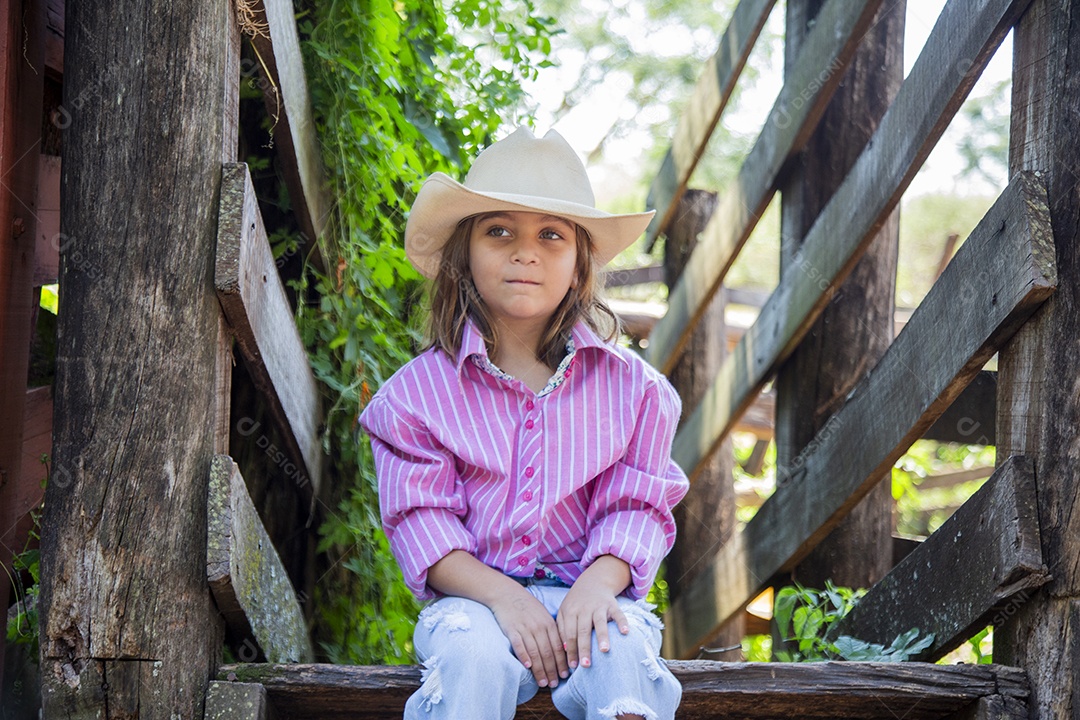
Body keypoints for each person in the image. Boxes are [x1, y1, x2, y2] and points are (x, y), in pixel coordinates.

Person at [358, 126, 689, 720]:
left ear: (580, 264)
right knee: (471, 657)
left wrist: (595, 586)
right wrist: (505, 598)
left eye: (552, 235)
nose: (524, 251)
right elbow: (423, 524)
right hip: (474, 602)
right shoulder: (413, 400)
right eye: (499, 230)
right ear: (465, 252)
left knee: (623, 648)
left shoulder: (637, 393)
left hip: (591, 593)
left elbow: (637, 507)